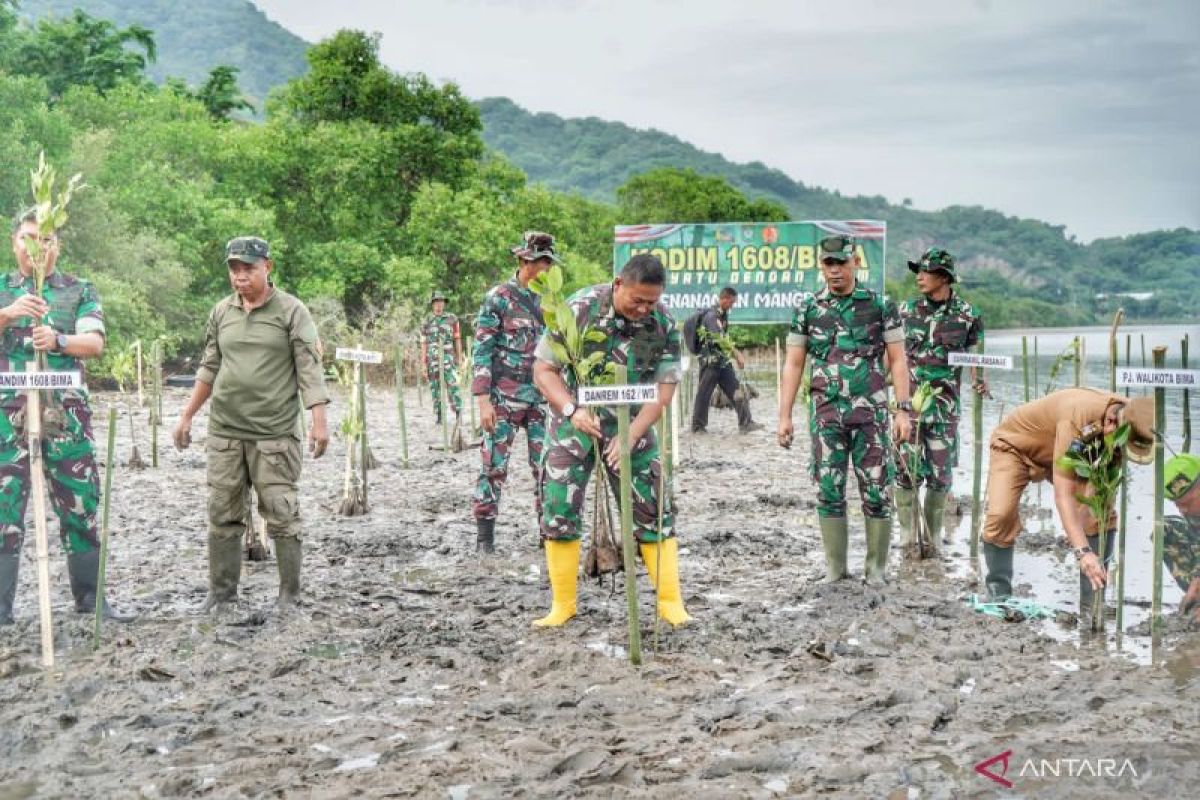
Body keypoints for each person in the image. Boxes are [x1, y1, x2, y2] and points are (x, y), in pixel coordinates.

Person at [173, 237, 330, 611]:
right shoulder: (221, 312)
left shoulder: (292, 312)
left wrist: (318, 421)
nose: (240, 277)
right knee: (222, 512)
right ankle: (221, 594)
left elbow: (309, 370)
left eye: (248, 269)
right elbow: (209, 366)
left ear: (267, 268)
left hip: (274, 434)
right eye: (234, 270)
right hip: (226, 431)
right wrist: (187, 414)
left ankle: (289, 594)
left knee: (281, 512)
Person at [532, 253, 689, 627]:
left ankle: (670, 603)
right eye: (638, 300)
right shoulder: (579, 309)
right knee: (558, 505)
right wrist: (571, 410)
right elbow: (544, 370)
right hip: (576, 421)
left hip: (633, 422)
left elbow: (663, 391)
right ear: (618, 284)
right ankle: (563, 605)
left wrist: (631, 434)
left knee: (654, 504)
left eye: (652, 302)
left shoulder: (664, 323)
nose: (644, 309)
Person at [0, 208, 130, 624]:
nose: (37, 248)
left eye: (47, 240)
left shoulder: (78, 291)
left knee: (81, 504)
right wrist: (9, 314)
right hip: (8, 418)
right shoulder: (3, 289)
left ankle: (91, 602)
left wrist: (57, 339)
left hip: (65, 417)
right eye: (29, 238)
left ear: (58, 246)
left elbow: (94, 343)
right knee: (4, 510)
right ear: (14, 242)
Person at [778, 234, 912, 586]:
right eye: (828, 263)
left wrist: (903, 410)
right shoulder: (807, 309)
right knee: (829, 488)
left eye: (842, 262)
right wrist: (784, 415)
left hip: (871, 415)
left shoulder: (881, 305)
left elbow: (898, 360)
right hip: (825, 415)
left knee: (877, 488)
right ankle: (836, 570)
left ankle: (876, 569)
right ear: (821, 265)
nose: (835, 270)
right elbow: (793, 365)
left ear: (856, 262)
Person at [980, 389, 1154, 611]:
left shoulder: (1138, 418)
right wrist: (1082, 552)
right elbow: (1064, 494)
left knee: (1098, 514)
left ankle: (1092, 605)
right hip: (1016, 447)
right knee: (1000, 513)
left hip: (1066, 452)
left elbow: (1094, 494)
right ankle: (999, 593)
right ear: (1111, 424)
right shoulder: (1078, 417)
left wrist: (1082, 534)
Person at [895, 248, 986, 554]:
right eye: (917, 271)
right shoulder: (905, 311)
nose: (919, 277)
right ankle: (907, 536)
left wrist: (978, 378)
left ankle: (933, 538)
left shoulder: (968, 315)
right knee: (906, 470)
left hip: (945, 409)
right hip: (910, 408)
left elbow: (976, 353)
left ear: (944, 278)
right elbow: (893, 355)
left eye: (925, 271)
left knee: (940, 476)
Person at [470, 231, 556, 552]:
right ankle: (485, 540)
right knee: (493, 467)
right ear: (524, 261)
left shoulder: (550, 302)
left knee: (546, 468)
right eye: (541, 262)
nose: (546, 268)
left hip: (540, 398)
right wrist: (482, 400)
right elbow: (482, 350)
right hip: (502, 399)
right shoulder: (499, 297)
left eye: (549, 262)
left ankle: (549, 535)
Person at [689, 286, 763, 435]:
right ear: (724, 299)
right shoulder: (711, 316)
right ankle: (698, 427)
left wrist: (732, 355)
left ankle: (746, 422)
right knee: (704, 394)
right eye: (731, 302)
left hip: (722, 362)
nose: (732, 306)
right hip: (710, 362)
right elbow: (720, 339)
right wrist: (737, 354)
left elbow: (725, 338)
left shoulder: (723, 316)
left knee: (737, 390)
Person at [1163, 453, 1200, 622]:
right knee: (1164, 529)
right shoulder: (1193, 513)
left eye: (1187, 503)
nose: (1183, 510)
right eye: (1178, 504)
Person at [422, 291, 462, 424]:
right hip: (432, 358)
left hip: (448, 357)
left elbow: (457, 339)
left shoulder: (452, 319)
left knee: (453, 385)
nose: (439, 305)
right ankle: (439, 415)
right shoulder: (427, 320)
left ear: (444, 303)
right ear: (432, 304)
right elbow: (423, 343)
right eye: (436, 302)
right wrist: (423, 362)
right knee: (435, 387)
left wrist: (459, 358)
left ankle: (458, 413)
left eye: (441, 302)